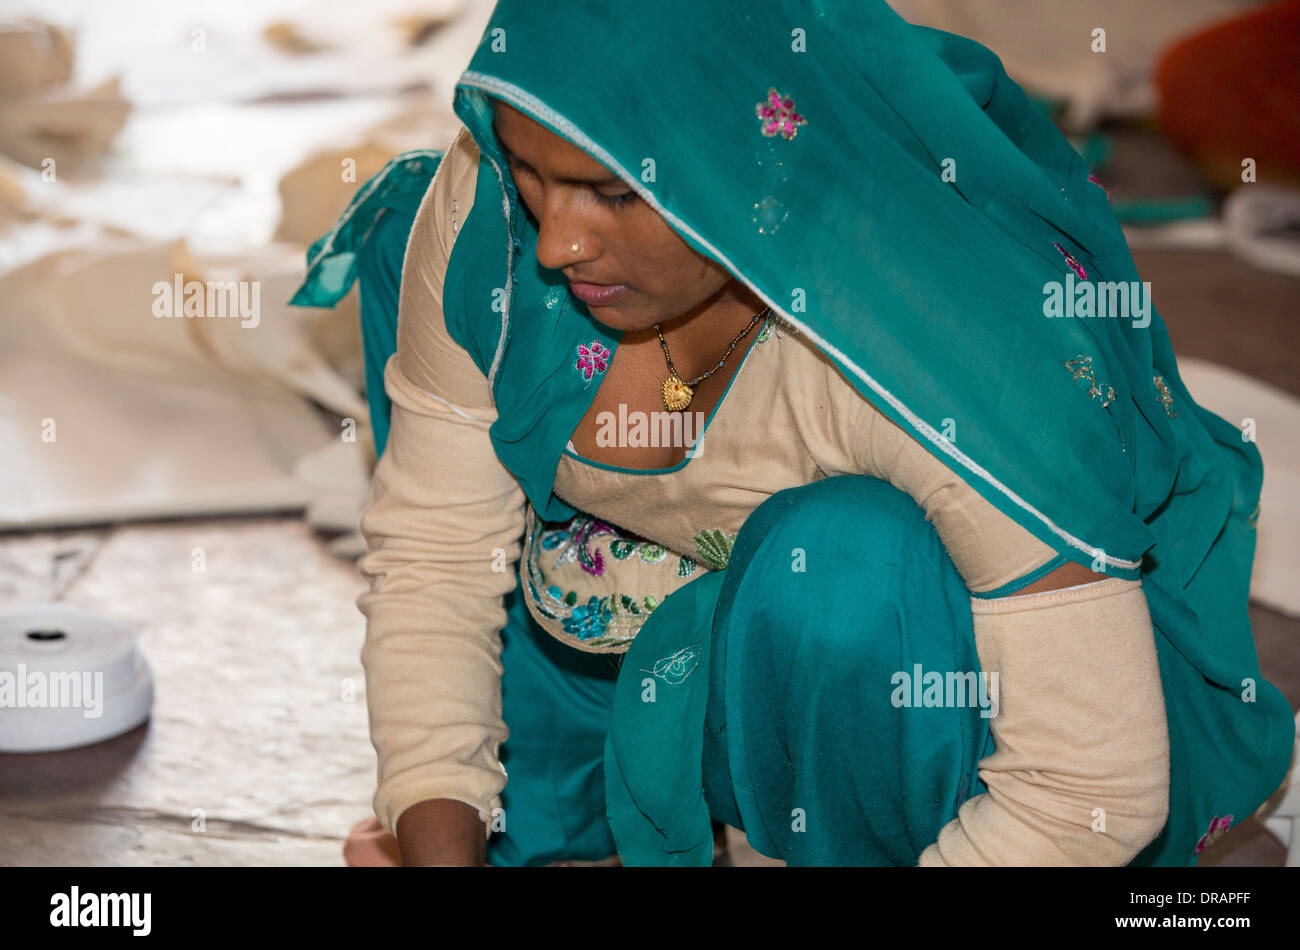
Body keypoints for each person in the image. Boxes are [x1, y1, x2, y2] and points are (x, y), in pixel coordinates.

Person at [292, 0, 1294, 866]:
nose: (558, 240)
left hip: (971, 706)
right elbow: (434, 556)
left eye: (611, 192)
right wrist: (437, 810)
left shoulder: (930, 344)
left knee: (843, 564)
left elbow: (1092, 788)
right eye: (533, 171)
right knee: (412, 237)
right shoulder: (498, 219)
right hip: (684, 614)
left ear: (751, 172)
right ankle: (568, 783)